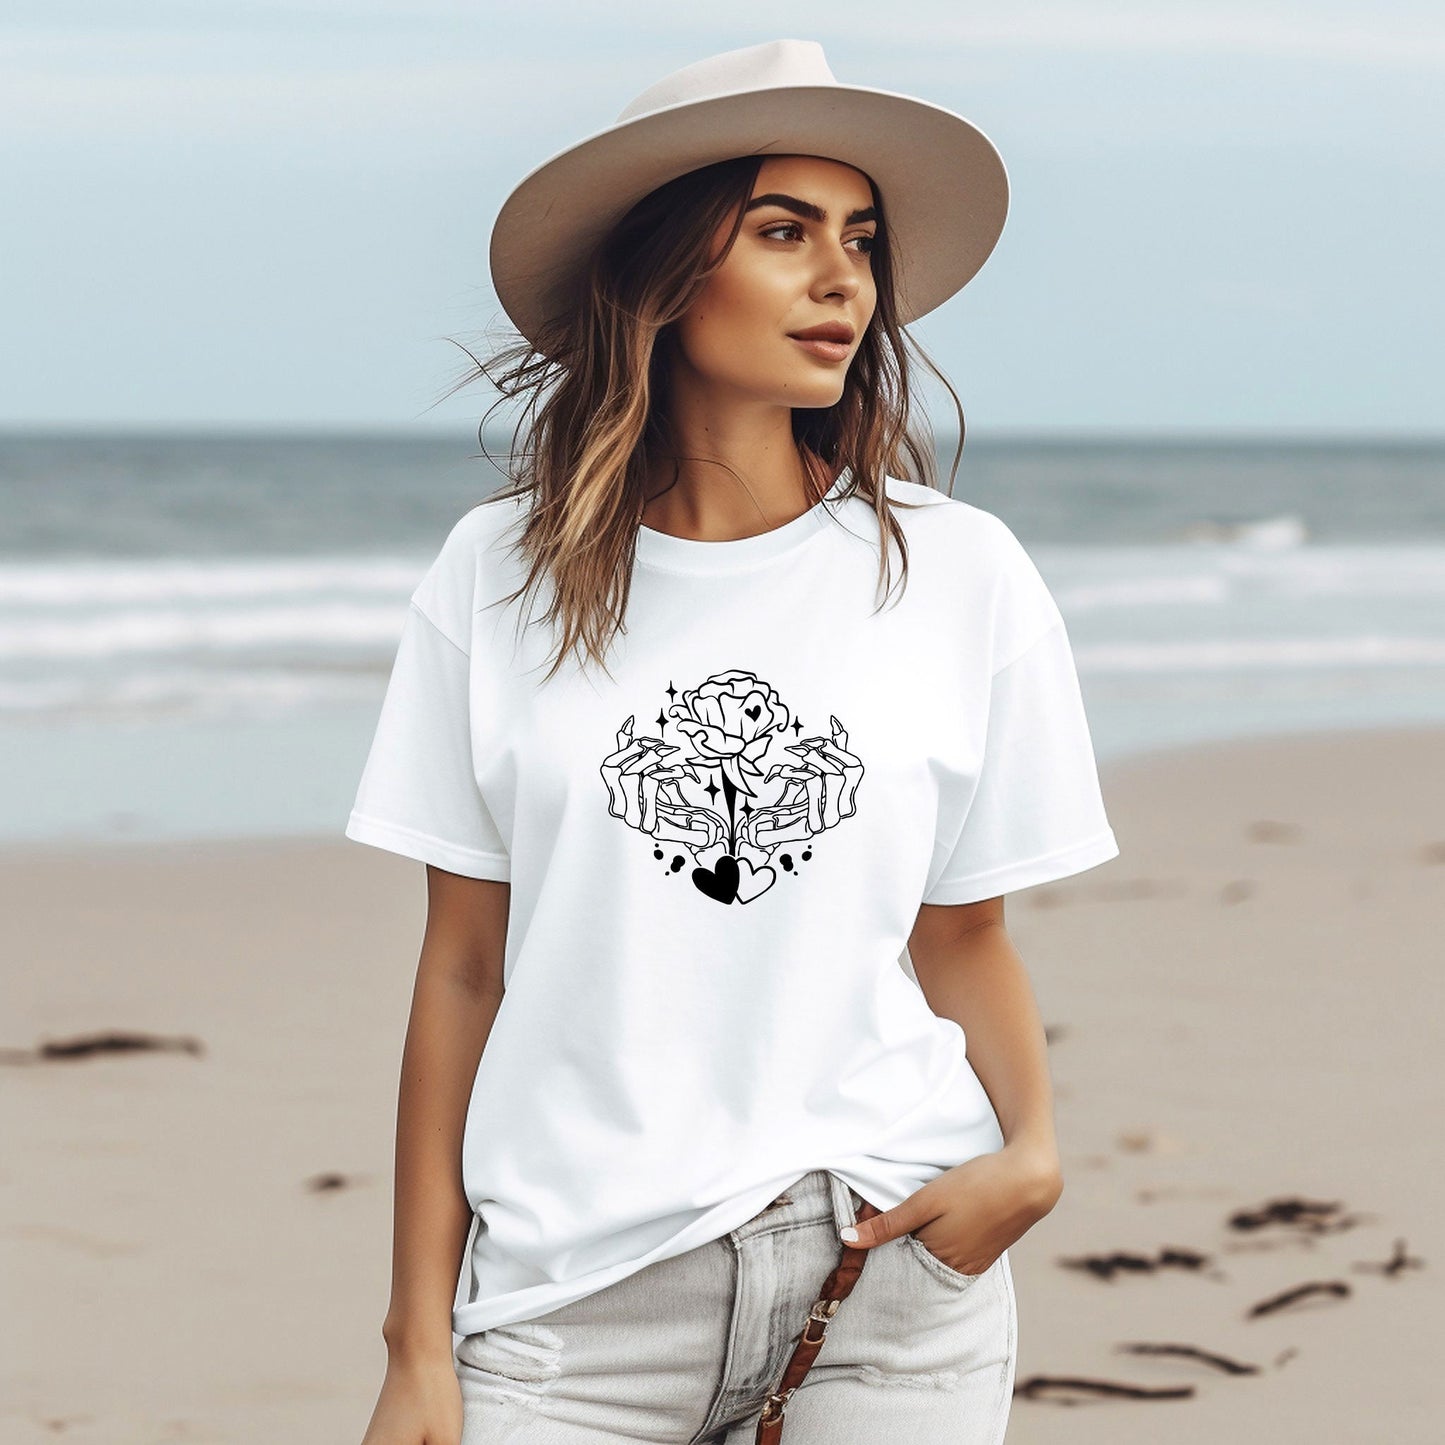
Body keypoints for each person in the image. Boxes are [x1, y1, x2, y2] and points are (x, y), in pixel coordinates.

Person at [346, 38, 1120, 1445]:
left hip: (884, 1272)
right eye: (780, 231)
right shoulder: (495, 577)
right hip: (570, 1301)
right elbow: (461, 966)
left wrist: (1033, 1154)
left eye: (860, 240)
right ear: (662, 273)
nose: (841, 279)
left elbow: (962, 935)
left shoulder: (957, 574)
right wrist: (417, 1342)